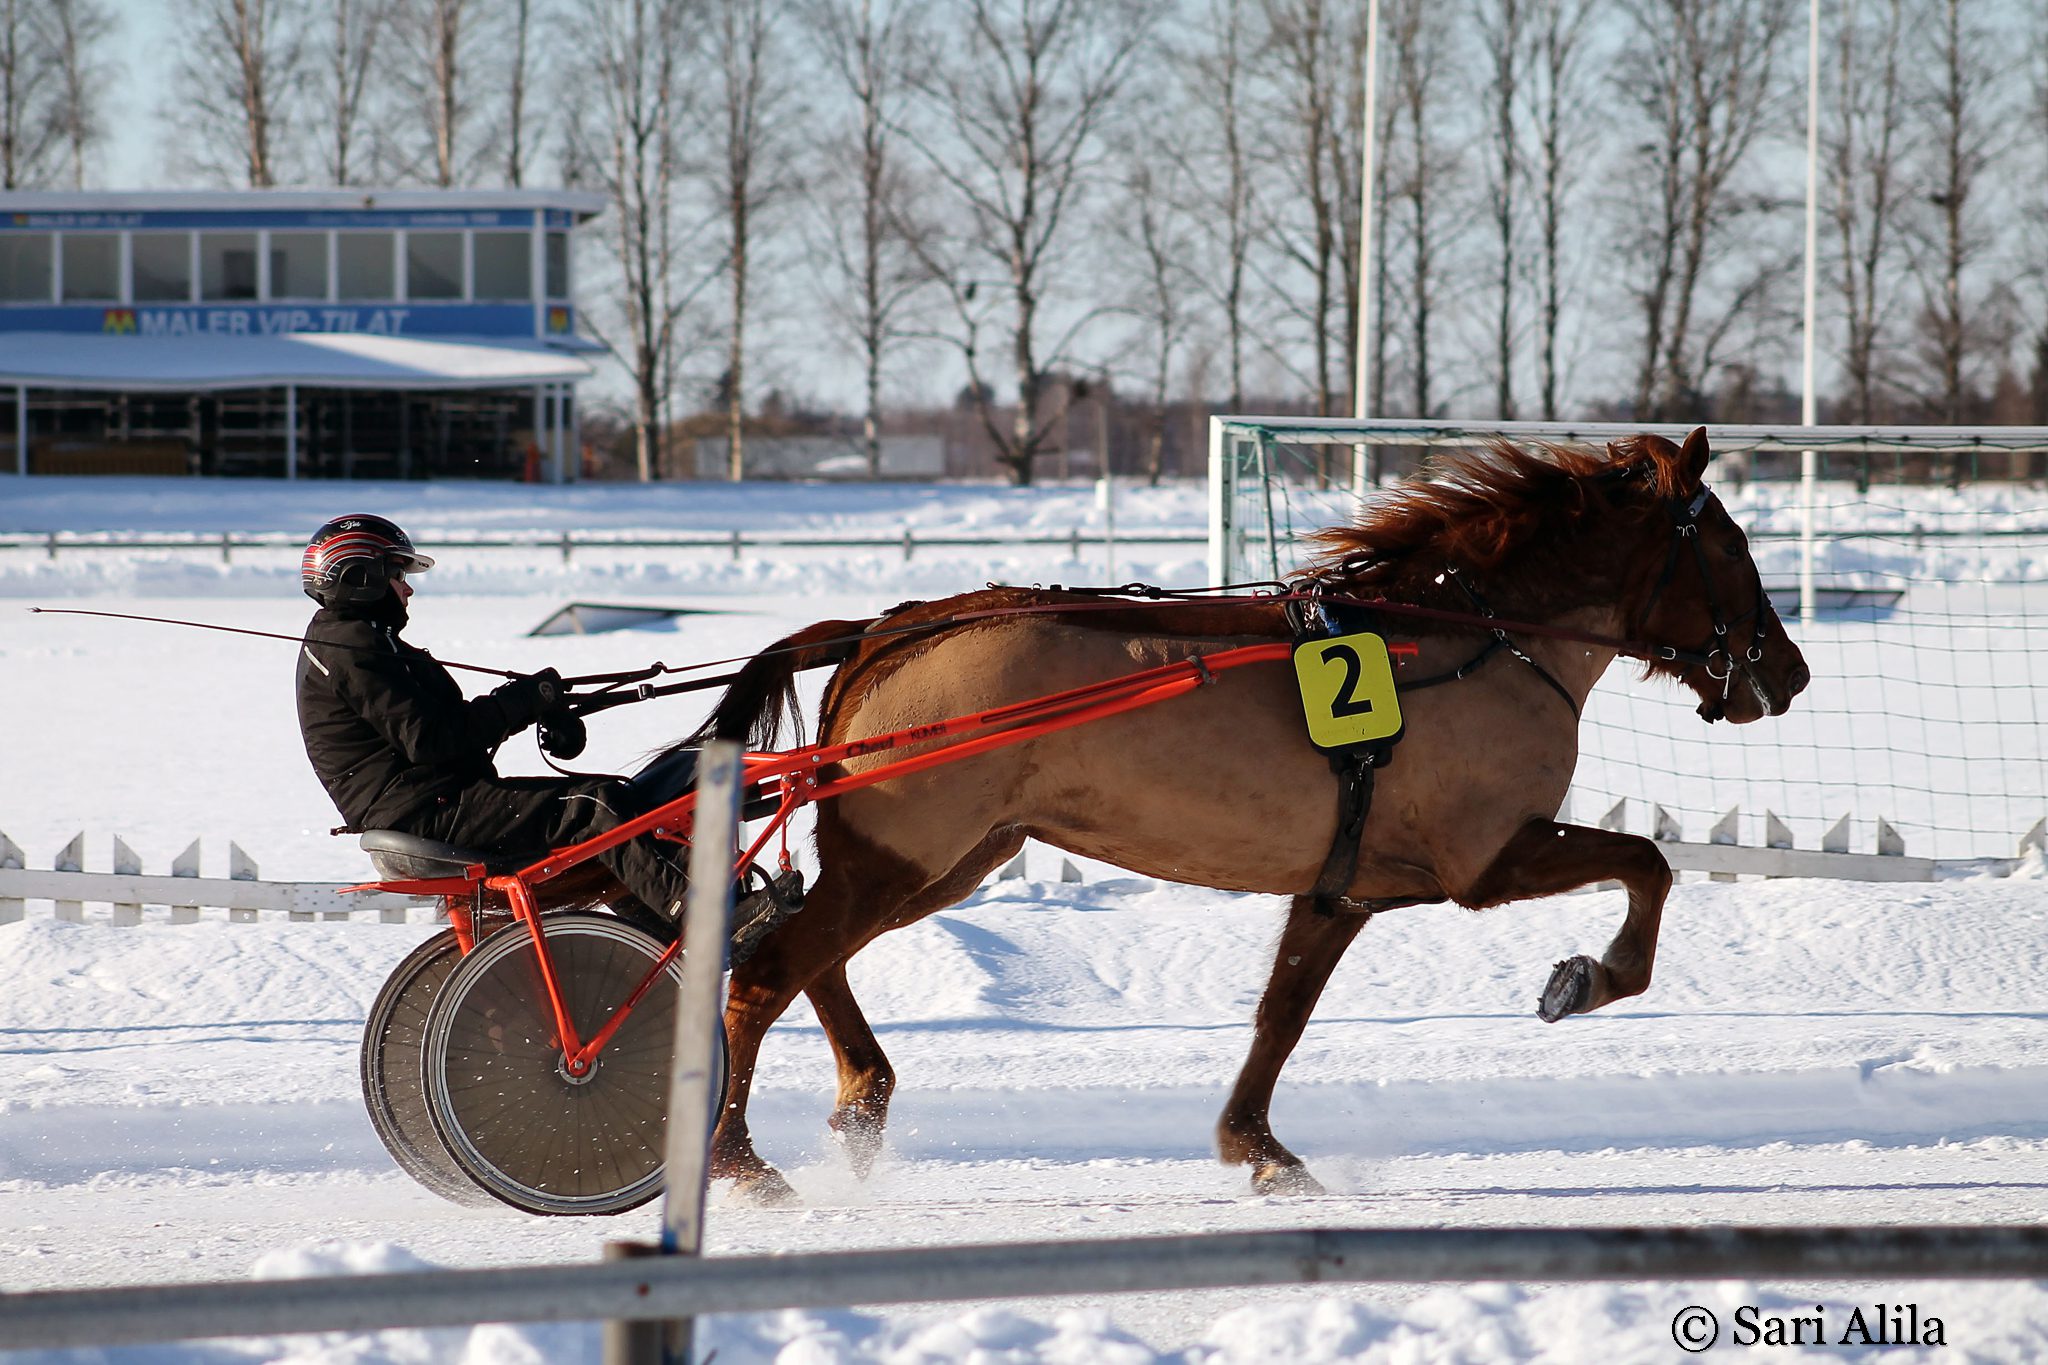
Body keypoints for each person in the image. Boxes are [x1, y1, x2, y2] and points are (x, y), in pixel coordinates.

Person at [294, 514, 693, 928]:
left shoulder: (360, 641)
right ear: (360, 576)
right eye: (398, 575)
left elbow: (444, 730)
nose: (407, 588)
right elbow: (432, 739)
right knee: (596, 807)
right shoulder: (351, 645)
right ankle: (699, 919)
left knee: (610, 808)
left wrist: (535, 703)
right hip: (427, 814)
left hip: (431, 804)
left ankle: (660, 938)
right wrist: (521, 701)